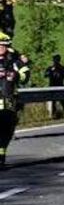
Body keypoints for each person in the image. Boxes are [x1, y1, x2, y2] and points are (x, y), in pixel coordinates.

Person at [0, 31, 30, 169]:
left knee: (7, 129)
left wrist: (15, 75)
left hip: (9, 99)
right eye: (0, 45)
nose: (2, 48)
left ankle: (1, 154)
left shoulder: (13, 60)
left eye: (4, 46)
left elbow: (26, 74)